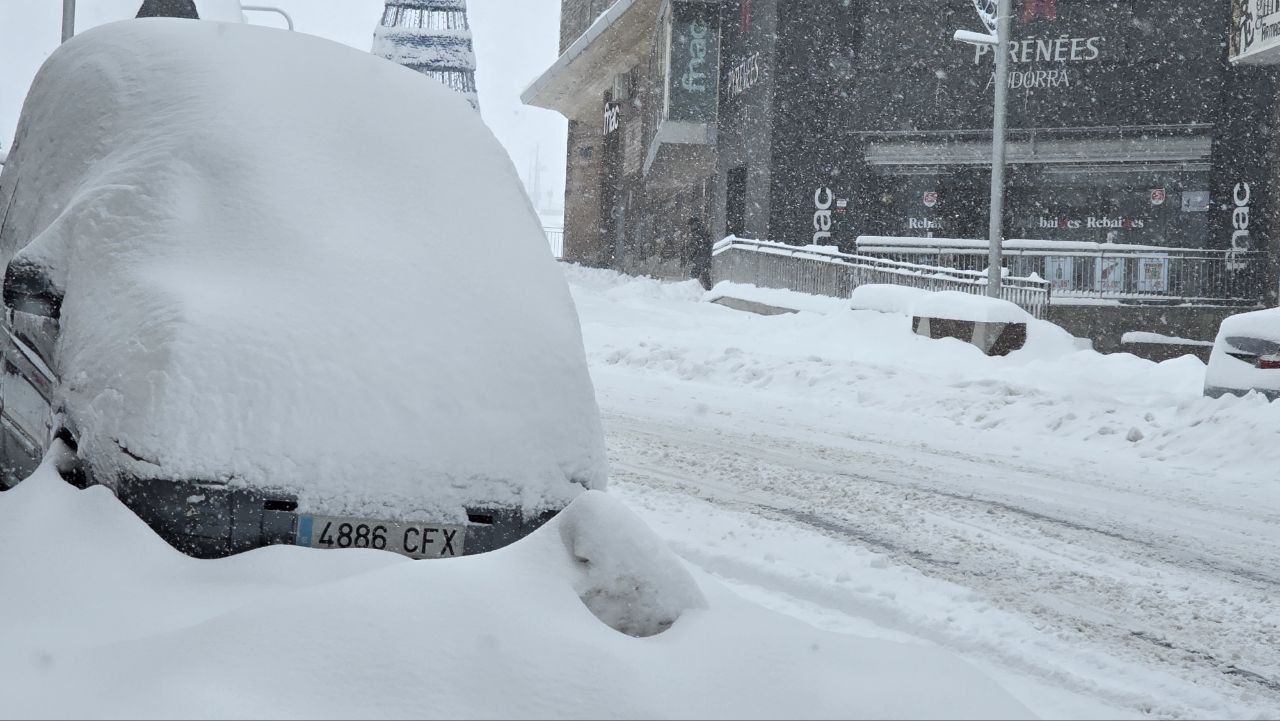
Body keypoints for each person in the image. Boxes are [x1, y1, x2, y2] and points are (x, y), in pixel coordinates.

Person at [686, 216, 712, 290]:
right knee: (697, 274)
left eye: (691, 225)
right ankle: (694, 289)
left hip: (702, 257)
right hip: (701, 257)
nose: (690, 227)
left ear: (695, 224)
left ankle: (707, 290)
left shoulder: (699, 232)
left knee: (701, 274)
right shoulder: (698, 232)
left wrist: (693, 253)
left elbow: (700, 246)